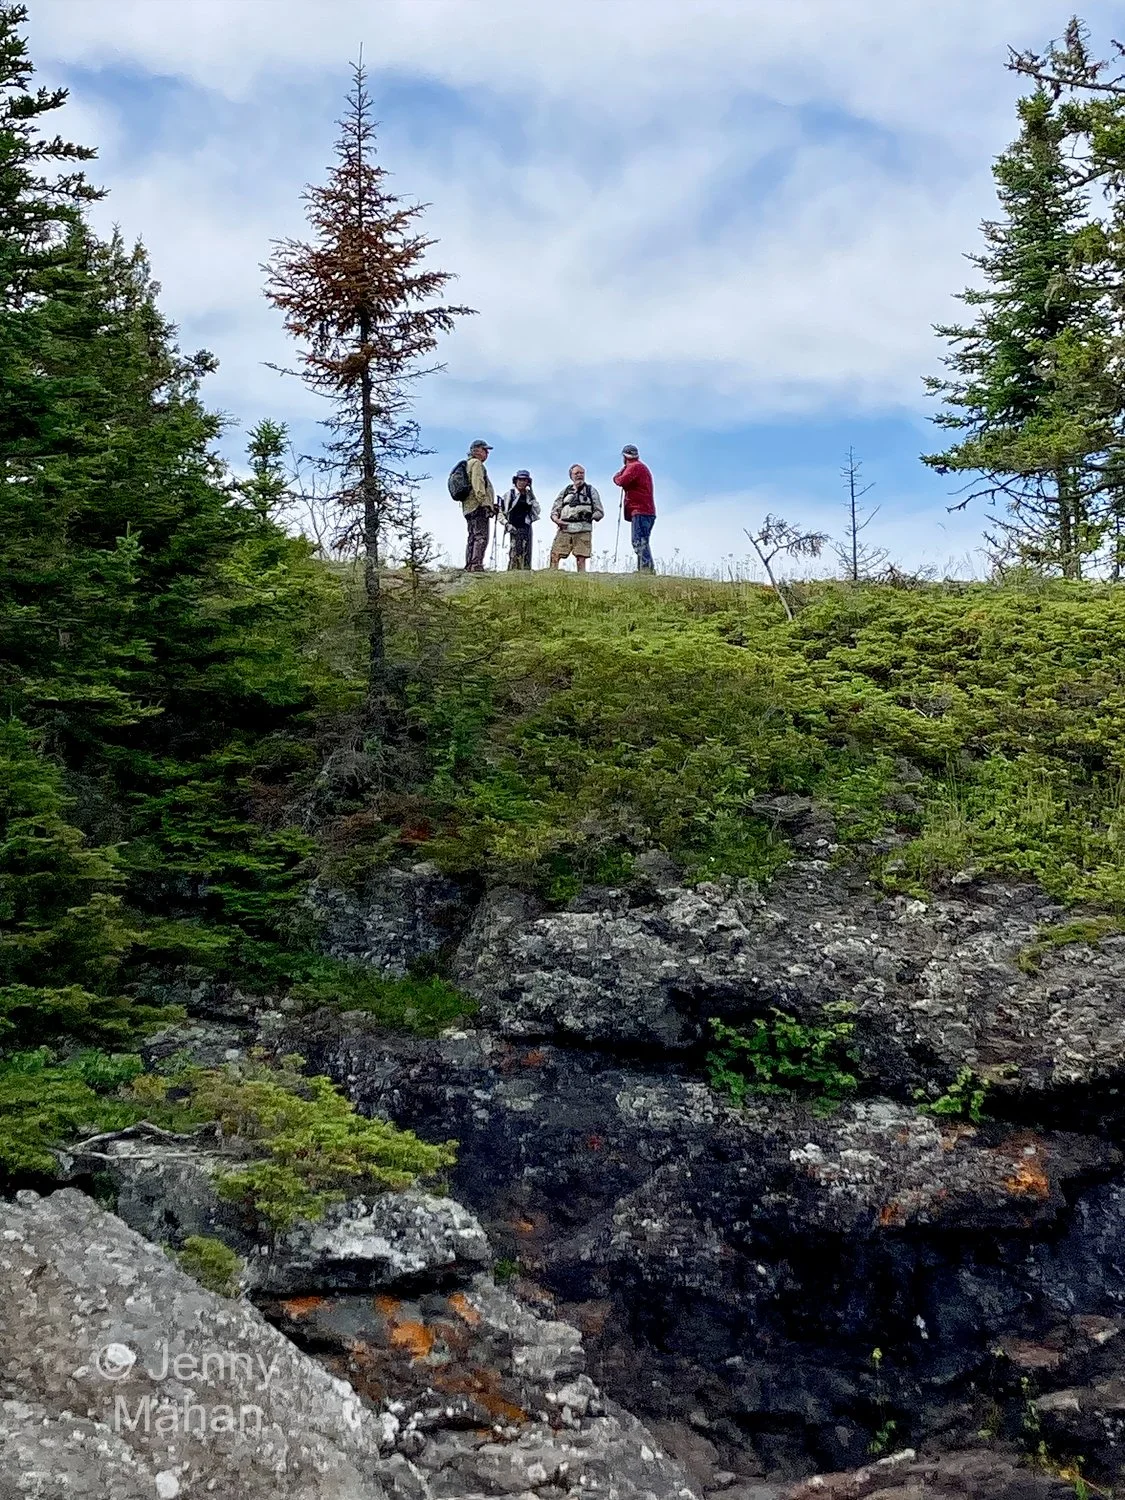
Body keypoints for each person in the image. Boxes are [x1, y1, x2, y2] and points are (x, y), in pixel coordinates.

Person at [550, 464, 604, 572]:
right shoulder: (565, 491)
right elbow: (555, 509)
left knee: (581, 557)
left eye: (581, 473)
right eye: (576, 473)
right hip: (565, 528)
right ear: (571, 476)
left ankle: (581, 579)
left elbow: (600, 512)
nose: (579, 475)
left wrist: (590, 516)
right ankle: (552, 576)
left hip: (583, 528)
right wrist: (557, 520)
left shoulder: (590, 490)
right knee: (555, 554)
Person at [613, 445, 656, 573]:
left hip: (640, 510)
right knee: (642, 540)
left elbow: (621, 481)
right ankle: (643, 569)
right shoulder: (639, 467)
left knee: (639, 541)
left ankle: (646, 569)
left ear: (624, 456)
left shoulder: (634, 467)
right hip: (647, 510)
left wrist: (617, 475)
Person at [462, 439, 496, 572]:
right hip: (477, 506)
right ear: (476, 450)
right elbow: (478, 485)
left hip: (468, 506)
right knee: (481, 536)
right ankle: (476, 565)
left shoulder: (467, 464)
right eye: (485, 450)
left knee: (472, 535)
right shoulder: (476, 464)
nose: (487, 453)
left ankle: (470, 564)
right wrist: (485, 504)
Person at [500, 469, 539, 570]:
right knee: (515, 552)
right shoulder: (509, 495)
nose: (522, 482)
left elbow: (537, 510)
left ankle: (526, 573)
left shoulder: (529, 495)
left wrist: (532, 492)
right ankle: (513, 572)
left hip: (526, 527)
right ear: (516, 481)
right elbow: (501, 512)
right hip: (514, 527)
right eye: (520, 480)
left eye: (525, 480)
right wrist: (506, 524)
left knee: (527, 552)